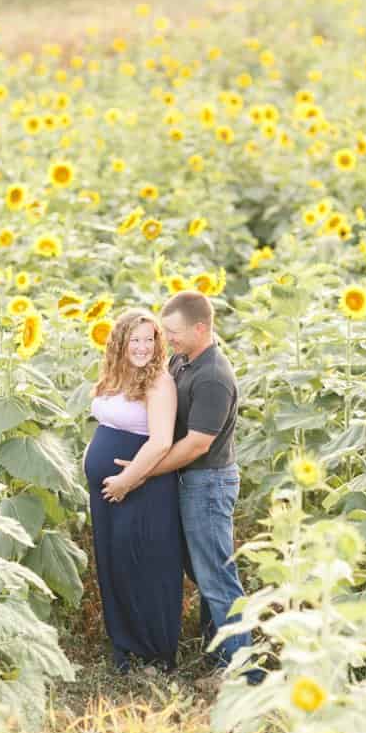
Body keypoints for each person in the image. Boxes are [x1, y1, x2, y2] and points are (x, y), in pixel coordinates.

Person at [113, 291, 261, 689]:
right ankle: (220, 655)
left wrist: (142, 472)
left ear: (200, 328)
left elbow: (197, 443)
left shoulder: (213, 376)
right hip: (190, 481)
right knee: (203, 570)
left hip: (208, 484)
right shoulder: (185, 360)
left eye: (174, 332)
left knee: (216, 576)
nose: (168, 339)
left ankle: (244, 673)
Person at [83, 308, 183, 673]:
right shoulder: (116, 375)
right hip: (108, 491)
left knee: (147, 564)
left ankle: (157, 653)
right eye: (134, 339)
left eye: (149, 339)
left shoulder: (159, 382)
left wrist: (127, 481)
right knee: (114, 564)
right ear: (120, 343)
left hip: (143, 487)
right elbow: (108, 421)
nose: (142, 347)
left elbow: (159, 442)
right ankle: (124, 646)